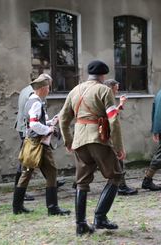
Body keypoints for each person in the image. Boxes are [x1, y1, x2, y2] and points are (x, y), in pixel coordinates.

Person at [59, 60, 125, 236]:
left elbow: (63, 119)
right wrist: (118, 146)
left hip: (79, 141)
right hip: (98, 139)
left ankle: (81, 225)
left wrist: (68, 141)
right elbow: (113, 119)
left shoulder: (74, 90)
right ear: (103, 75)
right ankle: (100, 217)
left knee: (82, 182)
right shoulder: (104, 90)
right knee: (116, 175)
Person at [12, 74, 71, 216]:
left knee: (26, 173)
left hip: (30, 143)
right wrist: (49, 129)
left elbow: (35, 121)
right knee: (51, 172)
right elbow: (34, 124)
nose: (49, 90)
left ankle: (17, 206)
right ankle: (52, 207)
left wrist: (51, 122)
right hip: (39, 145)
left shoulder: (31, 101)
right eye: (48, 88)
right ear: (43, 88)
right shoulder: (37, 102)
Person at [103, 79, 138, 196]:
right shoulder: (107, 98)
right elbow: (112, 119)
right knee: (118, 160)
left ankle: (77, 184)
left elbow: (113, 113)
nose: (117, 90)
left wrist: (121, 104)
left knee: (94, 160)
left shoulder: (105, 98)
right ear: (111, 87)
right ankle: (121, 187)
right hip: (107, 134)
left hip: (103, 134)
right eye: (116, 88)